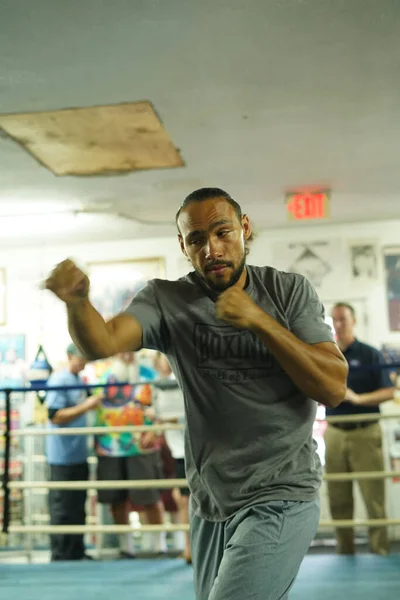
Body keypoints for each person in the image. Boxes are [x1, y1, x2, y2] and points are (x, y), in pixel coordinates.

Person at [45, 188, 347, 600]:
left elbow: (332, 387)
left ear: (244, 229)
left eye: (222, 232)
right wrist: (78, 303)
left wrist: (259, 321)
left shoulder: (288, 291)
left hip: (282, 492)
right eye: (197, 239)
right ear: (184, 247)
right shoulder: (167, 300)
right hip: (211, 503)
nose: (212, 249)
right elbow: (100, 342)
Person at [325, 303, 394, 556]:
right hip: (334, 432)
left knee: (373, 496)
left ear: (354, 321)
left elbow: (389, 391)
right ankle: (344, 553)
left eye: (343, 319)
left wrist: (357, 399)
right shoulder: (325, 354)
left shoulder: (370, 354)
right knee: (338, 499)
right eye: (335, 320)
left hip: (366, 431)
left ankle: (380, 552)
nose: (339, 324)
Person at [94, 352, 165, 557]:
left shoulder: (149, 375)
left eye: (130, 349)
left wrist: (154, 430)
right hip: (109, 446)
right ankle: (126, 546)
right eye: (121, 349)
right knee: (116, 498)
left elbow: (164, 407)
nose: (126, 354)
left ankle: (159, 544)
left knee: (150, 496)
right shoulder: (103, 376)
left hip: (141, 445)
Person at [45, 343, 102, 561]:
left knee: (78, 503)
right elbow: (55, 416)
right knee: (63, 505)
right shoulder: (59, 380)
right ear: (69, 356)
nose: (83, 361)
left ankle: (76, 549)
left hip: (78, 453)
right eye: (80, 357)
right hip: (62, 456)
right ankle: (61, 552)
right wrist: (86, 406)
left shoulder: (79, 380)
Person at [153, 351, 191, 563]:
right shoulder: (157, 387)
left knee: (188, 499)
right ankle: (188, 546)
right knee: (183, 499)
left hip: (195, 446)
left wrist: (165, 421)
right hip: (176, 450)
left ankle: (193, 546)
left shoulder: (186, 378)